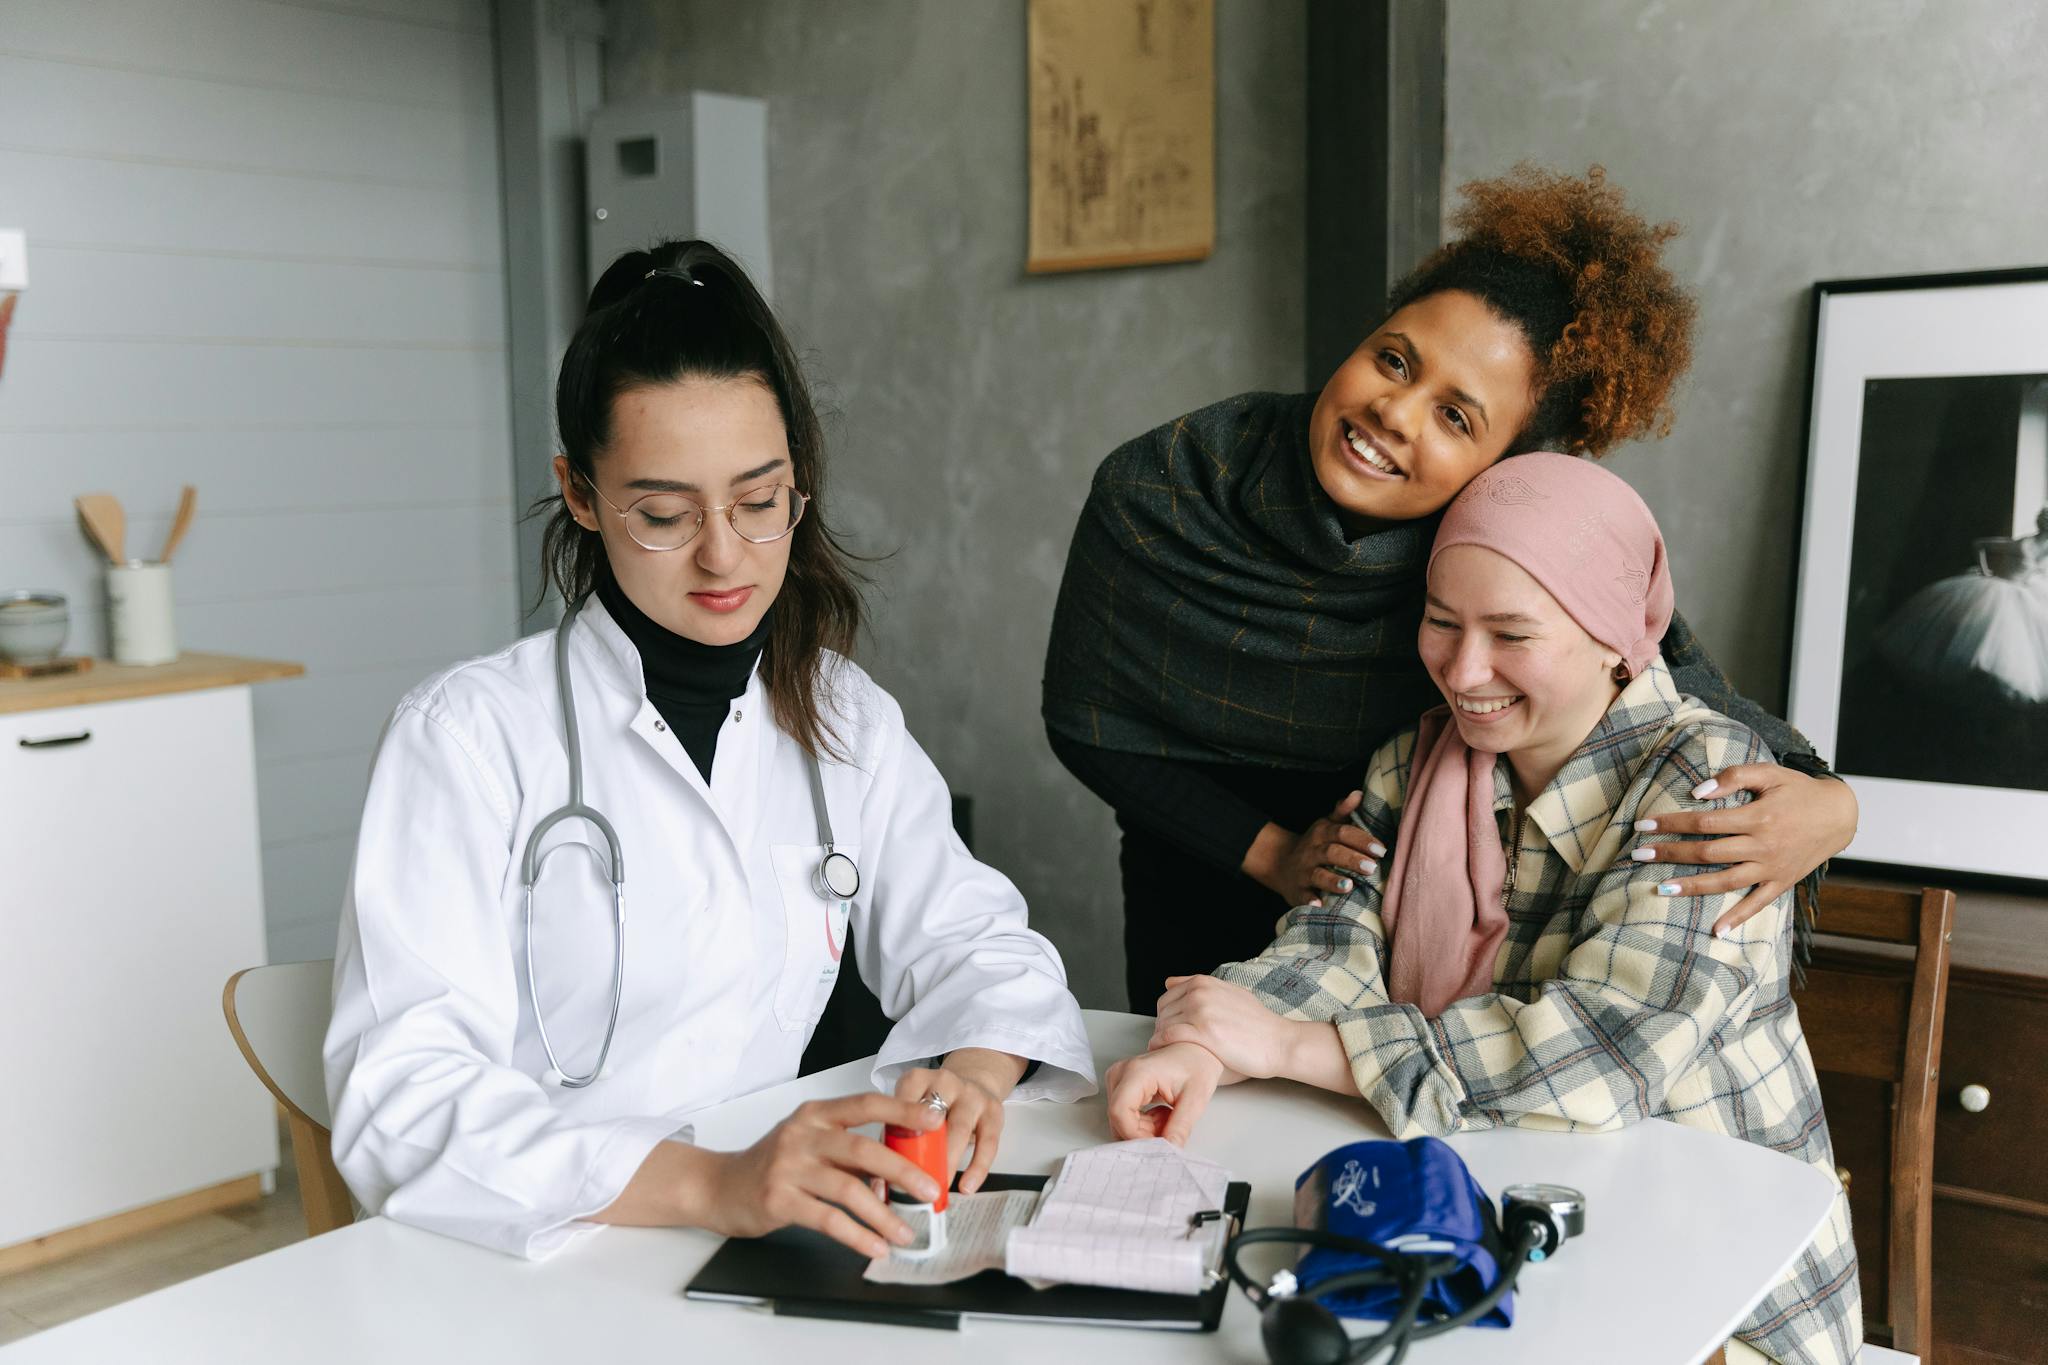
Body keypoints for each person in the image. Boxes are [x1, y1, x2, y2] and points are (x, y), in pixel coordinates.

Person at [325, 240, 1095, 1263]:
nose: (724, 555)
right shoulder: (469, 739)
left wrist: (978, 1073)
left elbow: (979, 947)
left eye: (758, 500)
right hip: (540, 1249)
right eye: (662, 513)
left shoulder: (843, 717)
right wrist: (715, 1185)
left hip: (761, 1232)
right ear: (582, 493)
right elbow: (401, 1105)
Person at [1042, 166, 1858, 1012]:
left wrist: (1831, 803)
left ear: (1508, 467)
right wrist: (1275, 854)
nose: (1396, 412)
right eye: (1393, 360)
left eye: (1457, 416)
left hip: (1405, 890)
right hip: (1206, 860)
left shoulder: (1498, 537)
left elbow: (1658, 659)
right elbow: (1091, 725)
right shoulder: (1164, 489)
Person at [1105, 454, 1860, 1364]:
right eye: (1440, 622)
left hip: (1720, 1293)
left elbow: (1604, 1053)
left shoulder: (1711, 788)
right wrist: (1211, 1039)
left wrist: (1294, 1046)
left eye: (1511, 634)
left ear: (1616, 634)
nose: (1463, 670)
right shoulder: (1415, 762)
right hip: (1501, 1218)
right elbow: (1332, 938)